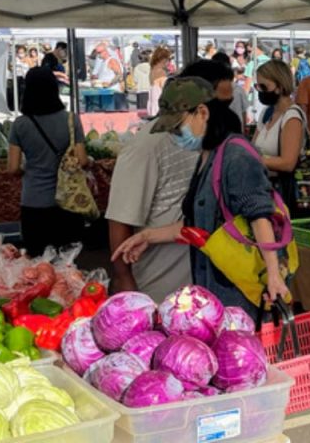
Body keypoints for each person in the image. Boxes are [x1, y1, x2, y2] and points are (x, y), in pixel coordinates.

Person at [112, 77, 290, 320]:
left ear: (202, 112)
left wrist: (274, 275)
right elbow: (198, 224)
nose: (176, 136)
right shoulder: (207, 155)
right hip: (213, 289)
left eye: (178, 128)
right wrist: (147, 236)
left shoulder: (236, 156)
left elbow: (260, 217)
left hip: (241, 294)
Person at [107, 78, 202, 298]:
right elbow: (120, 218)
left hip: (191, 278)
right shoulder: (145, 148)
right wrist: (124, 278)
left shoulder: (198, 140)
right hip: (156, 282)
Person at [6, 68, 87, 257]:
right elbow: (82, 160)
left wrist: (29, 168)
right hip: (68, 202)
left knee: (38, 265)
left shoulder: (20, 124)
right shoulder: (71, 119)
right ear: (54, 89)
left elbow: (12, 168)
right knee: (68, 264)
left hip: (34, 202)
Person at [252, 61, 304, 210]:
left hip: (284, 193)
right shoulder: (266, 113)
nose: (260, 91)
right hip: (265, 189)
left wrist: (256, 160)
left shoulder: (292, 117)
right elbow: (252, 147)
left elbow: (288, 163)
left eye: (264, 86)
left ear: (280, 87)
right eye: (257, 86)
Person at [146, 47, 171, 117]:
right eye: (168, 59)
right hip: (159, 105)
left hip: (152, 104)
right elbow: (165, 89)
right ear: (163, 59)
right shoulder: (161, 72)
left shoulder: (152, 70)